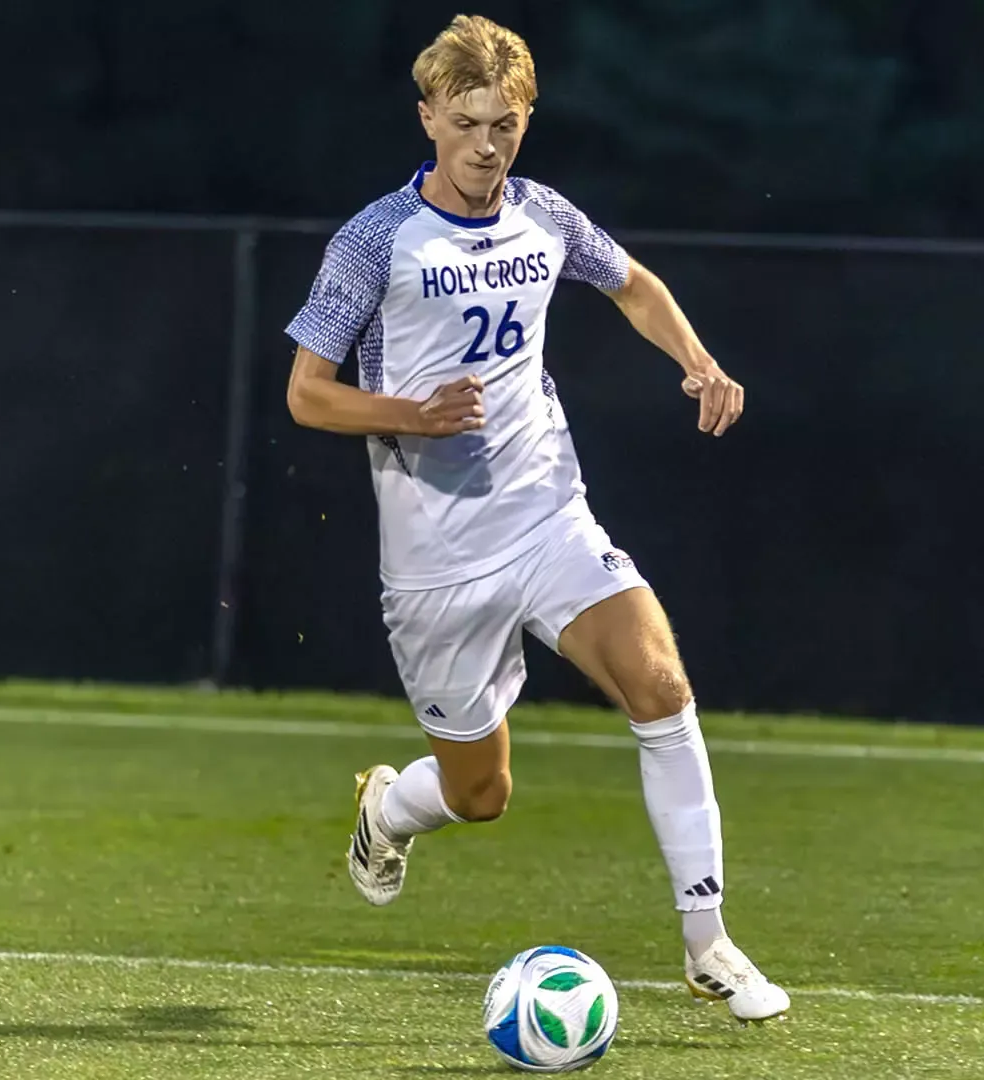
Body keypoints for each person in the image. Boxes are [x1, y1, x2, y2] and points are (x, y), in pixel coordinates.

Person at [284, 15, 787, 1022]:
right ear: (428, 117)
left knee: (660, 682)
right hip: (436, 564)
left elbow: (632, 285)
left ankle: (708, 942)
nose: (486, 144)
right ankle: (388, 807)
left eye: (504, 125)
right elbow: (306, 394)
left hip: (549, 515)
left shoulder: (545, 217)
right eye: (466, 122)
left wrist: (698, 361)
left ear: (524, 122)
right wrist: (411, 415)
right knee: (482, 796)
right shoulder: (377, 240)